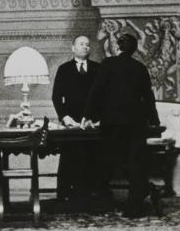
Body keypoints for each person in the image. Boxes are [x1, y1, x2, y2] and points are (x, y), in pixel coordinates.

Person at [83, 31, 160, 217]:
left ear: (117, 47)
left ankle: (102, 204)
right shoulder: (140, 68)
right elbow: (148, 98)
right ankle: (135, 207)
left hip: (112, 122)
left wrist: (88, 116)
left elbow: (96, 92)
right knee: (134, 163)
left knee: (106, 162)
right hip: (135, 123)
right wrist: (155, 122)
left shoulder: (107, 65)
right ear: (134, 49)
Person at [50, 35, 99, 203]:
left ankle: (91, 195)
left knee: (92, 157)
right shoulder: (64, 69)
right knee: (69, 157)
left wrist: (96, 119)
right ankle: (65, 194)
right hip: (71, 123)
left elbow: (103, 96)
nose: (85, 47)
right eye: (81, 44)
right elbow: (56, 97)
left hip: (92, 123)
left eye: (87, 44)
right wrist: (65, 117)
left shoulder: (97, 68)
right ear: (73, 48)